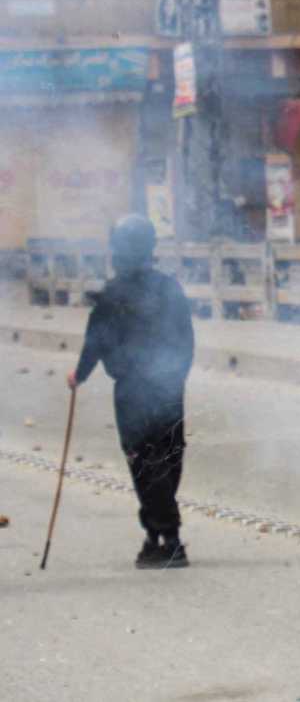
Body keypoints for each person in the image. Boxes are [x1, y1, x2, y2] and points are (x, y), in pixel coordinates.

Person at [68, 214, 195, 569]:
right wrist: (176, 377)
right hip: (169, 387)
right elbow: (187, 340)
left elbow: (96, 340)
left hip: (134, 390)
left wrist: (79, 375)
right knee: (168, 457)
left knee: (144, 460)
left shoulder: (113, 294)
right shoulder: (170, 288)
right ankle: (156, 537)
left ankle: (168, 539)